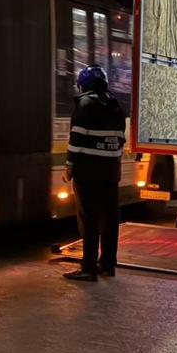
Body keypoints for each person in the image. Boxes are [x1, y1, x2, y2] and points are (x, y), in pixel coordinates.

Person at [64, 65, 126, 282]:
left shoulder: (85, 104)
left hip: (88, 172)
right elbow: (120, 139)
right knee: (109, 220)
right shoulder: (115, 105)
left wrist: (70, 165)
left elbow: (77, 138)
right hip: (110, 172)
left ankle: (88, 268)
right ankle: (107, 265)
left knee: (89, 220)